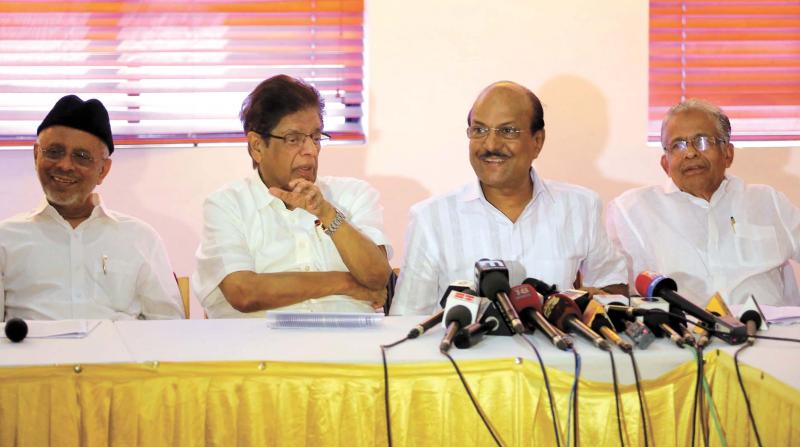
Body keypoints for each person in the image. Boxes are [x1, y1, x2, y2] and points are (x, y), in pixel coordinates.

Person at [390, 81, 627, 315]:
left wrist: (592, 302)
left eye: (508, 131)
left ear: (537, 141)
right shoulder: (431, 218)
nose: (491, 144)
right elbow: (407, 318)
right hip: (463, 351)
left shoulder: (580, 207)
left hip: (557, 351)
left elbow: (613, 286)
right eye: (479, 130)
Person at [193, 75, 392, 317]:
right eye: (293, 139)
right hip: (261, 348)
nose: (310, 151)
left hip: (348, 346)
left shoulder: (354, 194)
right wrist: (347, 283)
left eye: (316, 138)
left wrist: (327, 214)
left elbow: (377, 277)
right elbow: (244, 292)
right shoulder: (227, 204)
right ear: (257, 146)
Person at [0, 95, 184, 320]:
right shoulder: (6, 239)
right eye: (54, 151)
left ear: (103, 170)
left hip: (120, 354)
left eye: (82, 157)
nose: (65, 165)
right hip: (34, 355)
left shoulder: (140, 238)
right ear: (36, 154)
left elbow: (168, 327)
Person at [607, 99, 800, 306]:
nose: (690, 153)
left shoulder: (767, 201)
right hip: (682, 334)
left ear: (728, 153)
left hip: (773, 334)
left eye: (702, 141)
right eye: (677, 145)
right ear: (665, 163)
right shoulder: (631, 211)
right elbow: (611, 288)